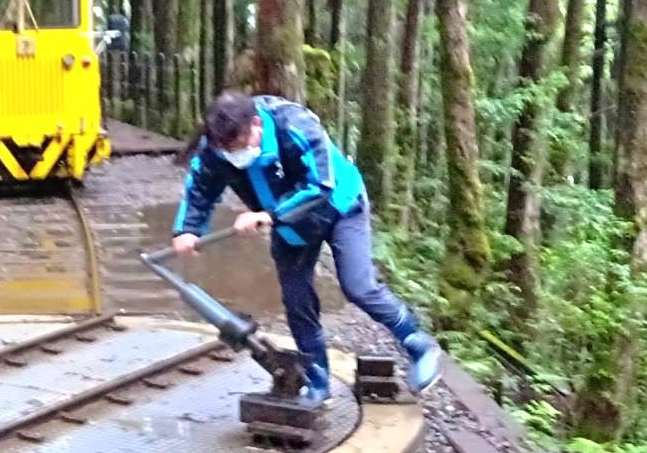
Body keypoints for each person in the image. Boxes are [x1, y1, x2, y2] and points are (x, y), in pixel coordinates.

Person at [171, 91, 444, 402]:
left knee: (358, 286)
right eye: (227, 149)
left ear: (256, 125)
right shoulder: (217, 146)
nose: (235, 154)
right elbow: (201, 189)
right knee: (297, 299)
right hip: (287, 224)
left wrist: (268, 215)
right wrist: (187, 229)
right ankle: (317, 381)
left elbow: (320, 185)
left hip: (341, 206)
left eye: (241, 145)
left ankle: (417, 344)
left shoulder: (296, 124)